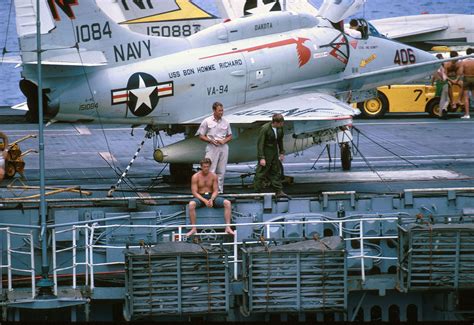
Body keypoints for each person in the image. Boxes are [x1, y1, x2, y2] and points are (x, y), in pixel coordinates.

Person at [186, 158, 234, 237]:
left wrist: (211, 199)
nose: (206, 168)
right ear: (201, 167)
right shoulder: (195, 177)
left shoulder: (213, 176)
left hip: (211, 196)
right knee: (191, 205)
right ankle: (193, 228)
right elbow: (194, 192)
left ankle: (228, 227)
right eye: (204, 167)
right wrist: (204, 200)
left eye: (208, 167)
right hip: (200, 197)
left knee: (227, 203)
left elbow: (216, 190)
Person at [197, 102, 232, 193]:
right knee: (210, 169)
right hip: (212, 146)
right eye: (219, 110)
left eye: (222, 110)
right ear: (214, 110)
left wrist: (224, 141)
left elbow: (230, 135)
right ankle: (208, 190)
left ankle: (219, 191)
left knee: (221, 170)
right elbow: (201, 136)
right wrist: (210, 140)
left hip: (223, 146)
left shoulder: (226, 122)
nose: (221, 112)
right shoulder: (207, 121)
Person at [253, 113, 289, 198]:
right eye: (280, 123)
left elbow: (280, 141)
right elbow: (260, 144)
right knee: (261, 172)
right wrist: (262, 158)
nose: (282, 125)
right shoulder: (265, 128)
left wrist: (282, 152)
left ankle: (278, 191)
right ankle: (257, 192)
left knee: (276, 171)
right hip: (266, 152)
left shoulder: (280, 129)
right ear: (275, 122)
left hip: (274, 152)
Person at [432, 54, 449, 119]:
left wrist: (432, 83)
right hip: (444, 82)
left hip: (438, 83)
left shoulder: (434, 67)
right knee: (447, 99)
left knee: (441, 99)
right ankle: (444, 108)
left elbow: (434, 76)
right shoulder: (442, 66)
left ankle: (440, 114)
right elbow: (443, 75)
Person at [460, 47, 474, 119]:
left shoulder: (464, 61)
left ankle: (467, 114)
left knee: (466, 97)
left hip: (466, 78)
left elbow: (460, 72)